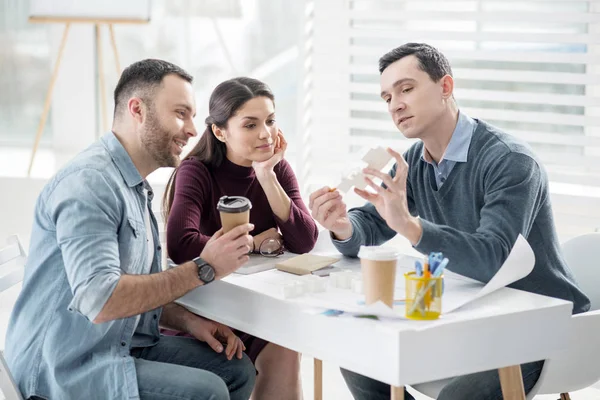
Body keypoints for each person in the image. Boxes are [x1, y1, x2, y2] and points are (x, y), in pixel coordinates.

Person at [308, 43, 590, 400]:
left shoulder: (510, 161)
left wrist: (411, 227)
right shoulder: (414, 161)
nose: (395, 104)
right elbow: (372, 220)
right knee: (357, 348)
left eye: (406, 89)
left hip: (538, 326)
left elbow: (494, 256)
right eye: (386, 97)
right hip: (472, 313)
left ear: (445, 87)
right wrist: (342, 225)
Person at [5, 59, 257, 400]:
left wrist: (188, 322)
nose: (192, 129)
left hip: (116, 345)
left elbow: (134, 289)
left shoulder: (133, 186)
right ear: (137, 109)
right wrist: (204, 268)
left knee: (236, 369)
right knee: (207, 391)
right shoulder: (90, 184)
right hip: (64, 368)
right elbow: (102, 298)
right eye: (181, 113)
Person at [163, 76, 319, 400]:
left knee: (286, 346)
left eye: (271, 121)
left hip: (258, 310)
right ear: (220, 132)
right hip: (205, 312)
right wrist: (253, 242)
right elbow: (180, 244)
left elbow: (304, 240)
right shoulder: (197, 171)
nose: (266, 133)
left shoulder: (277, 170)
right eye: (250, 125)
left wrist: (266, 175)